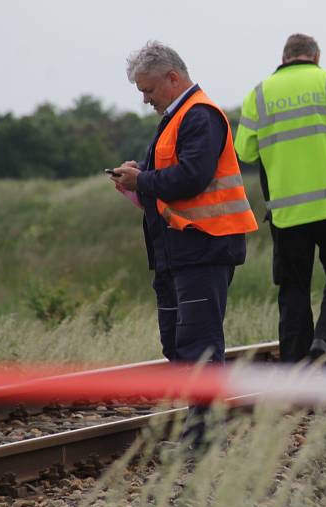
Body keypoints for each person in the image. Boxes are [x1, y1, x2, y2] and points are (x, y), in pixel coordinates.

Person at [111, 41, 258, 446]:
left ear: (172, 78)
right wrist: (138, 176)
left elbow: (192, 177)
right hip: (177, 250)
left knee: (199, 344)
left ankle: (203, 439)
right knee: (178, 344)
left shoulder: (201, 116)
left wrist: (142, 179)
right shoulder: (177, 119)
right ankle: (201, 430)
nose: (145, 100)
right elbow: (171, 180)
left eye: (149, 90)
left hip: (204, 247)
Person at [235, 33, 326, 367]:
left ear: (284, 57)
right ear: (316, 57)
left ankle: (293, 367)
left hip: (286, 214)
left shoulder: (258, 95)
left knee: (293, 289)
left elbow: (243, 150)